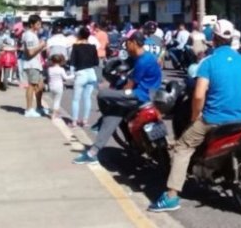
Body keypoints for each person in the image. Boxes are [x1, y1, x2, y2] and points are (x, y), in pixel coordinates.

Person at [149, 19, 241, 212]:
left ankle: (171, 196)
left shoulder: (208, 62)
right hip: (240, 120)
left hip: (213, 120)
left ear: (215, 39)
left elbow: (199, 94)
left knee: (182, 147)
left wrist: (195, 116)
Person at [73, 31, 162, 164]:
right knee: (115, 112)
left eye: (128, 43)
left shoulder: (143, 61)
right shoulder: (146, 57)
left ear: (134, 43)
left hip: (139, 96)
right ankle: (94, 151)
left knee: (102, 94)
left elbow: (129, 86)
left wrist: (118, 94)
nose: (126, 46)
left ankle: (102, 122)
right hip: (151, 95)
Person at [69, 27, 99, 128]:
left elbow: (72, 62)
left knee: (76, 99)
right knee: (87, 98)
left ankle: (74, 121)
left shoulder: (76, 47)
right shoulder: (93, 47)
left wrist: (72, 74)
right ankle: (85, 121)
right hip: (91, 73)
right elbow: (96, 62)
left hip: (81, 73)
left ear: (79, 35)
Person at [21, 14, 48, 118]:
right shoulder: (29, 35)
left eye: (40, 23)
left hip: (37, 64)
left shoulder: (33, 34)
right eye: (38, 24)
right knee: (31, 86)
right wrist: (41, 46)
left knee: (40, 86)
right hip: (31, 64)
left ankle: (39, 106)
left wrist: (41, 46)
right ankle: (28, 109)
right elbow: (31, 52)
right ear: (32, 24)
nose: (40, 25)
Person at [48, 54, 73, 120]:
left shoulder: (50, 69)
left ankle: (56, 113)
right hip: (59, 86)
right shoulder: (61, 69)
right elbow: (66, 78)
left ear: (52, 61)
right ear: (60, 61)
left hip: (51, 86)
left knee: (54, 100)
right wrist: (73, 75)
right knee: (57, 101)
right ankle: (54, 115)